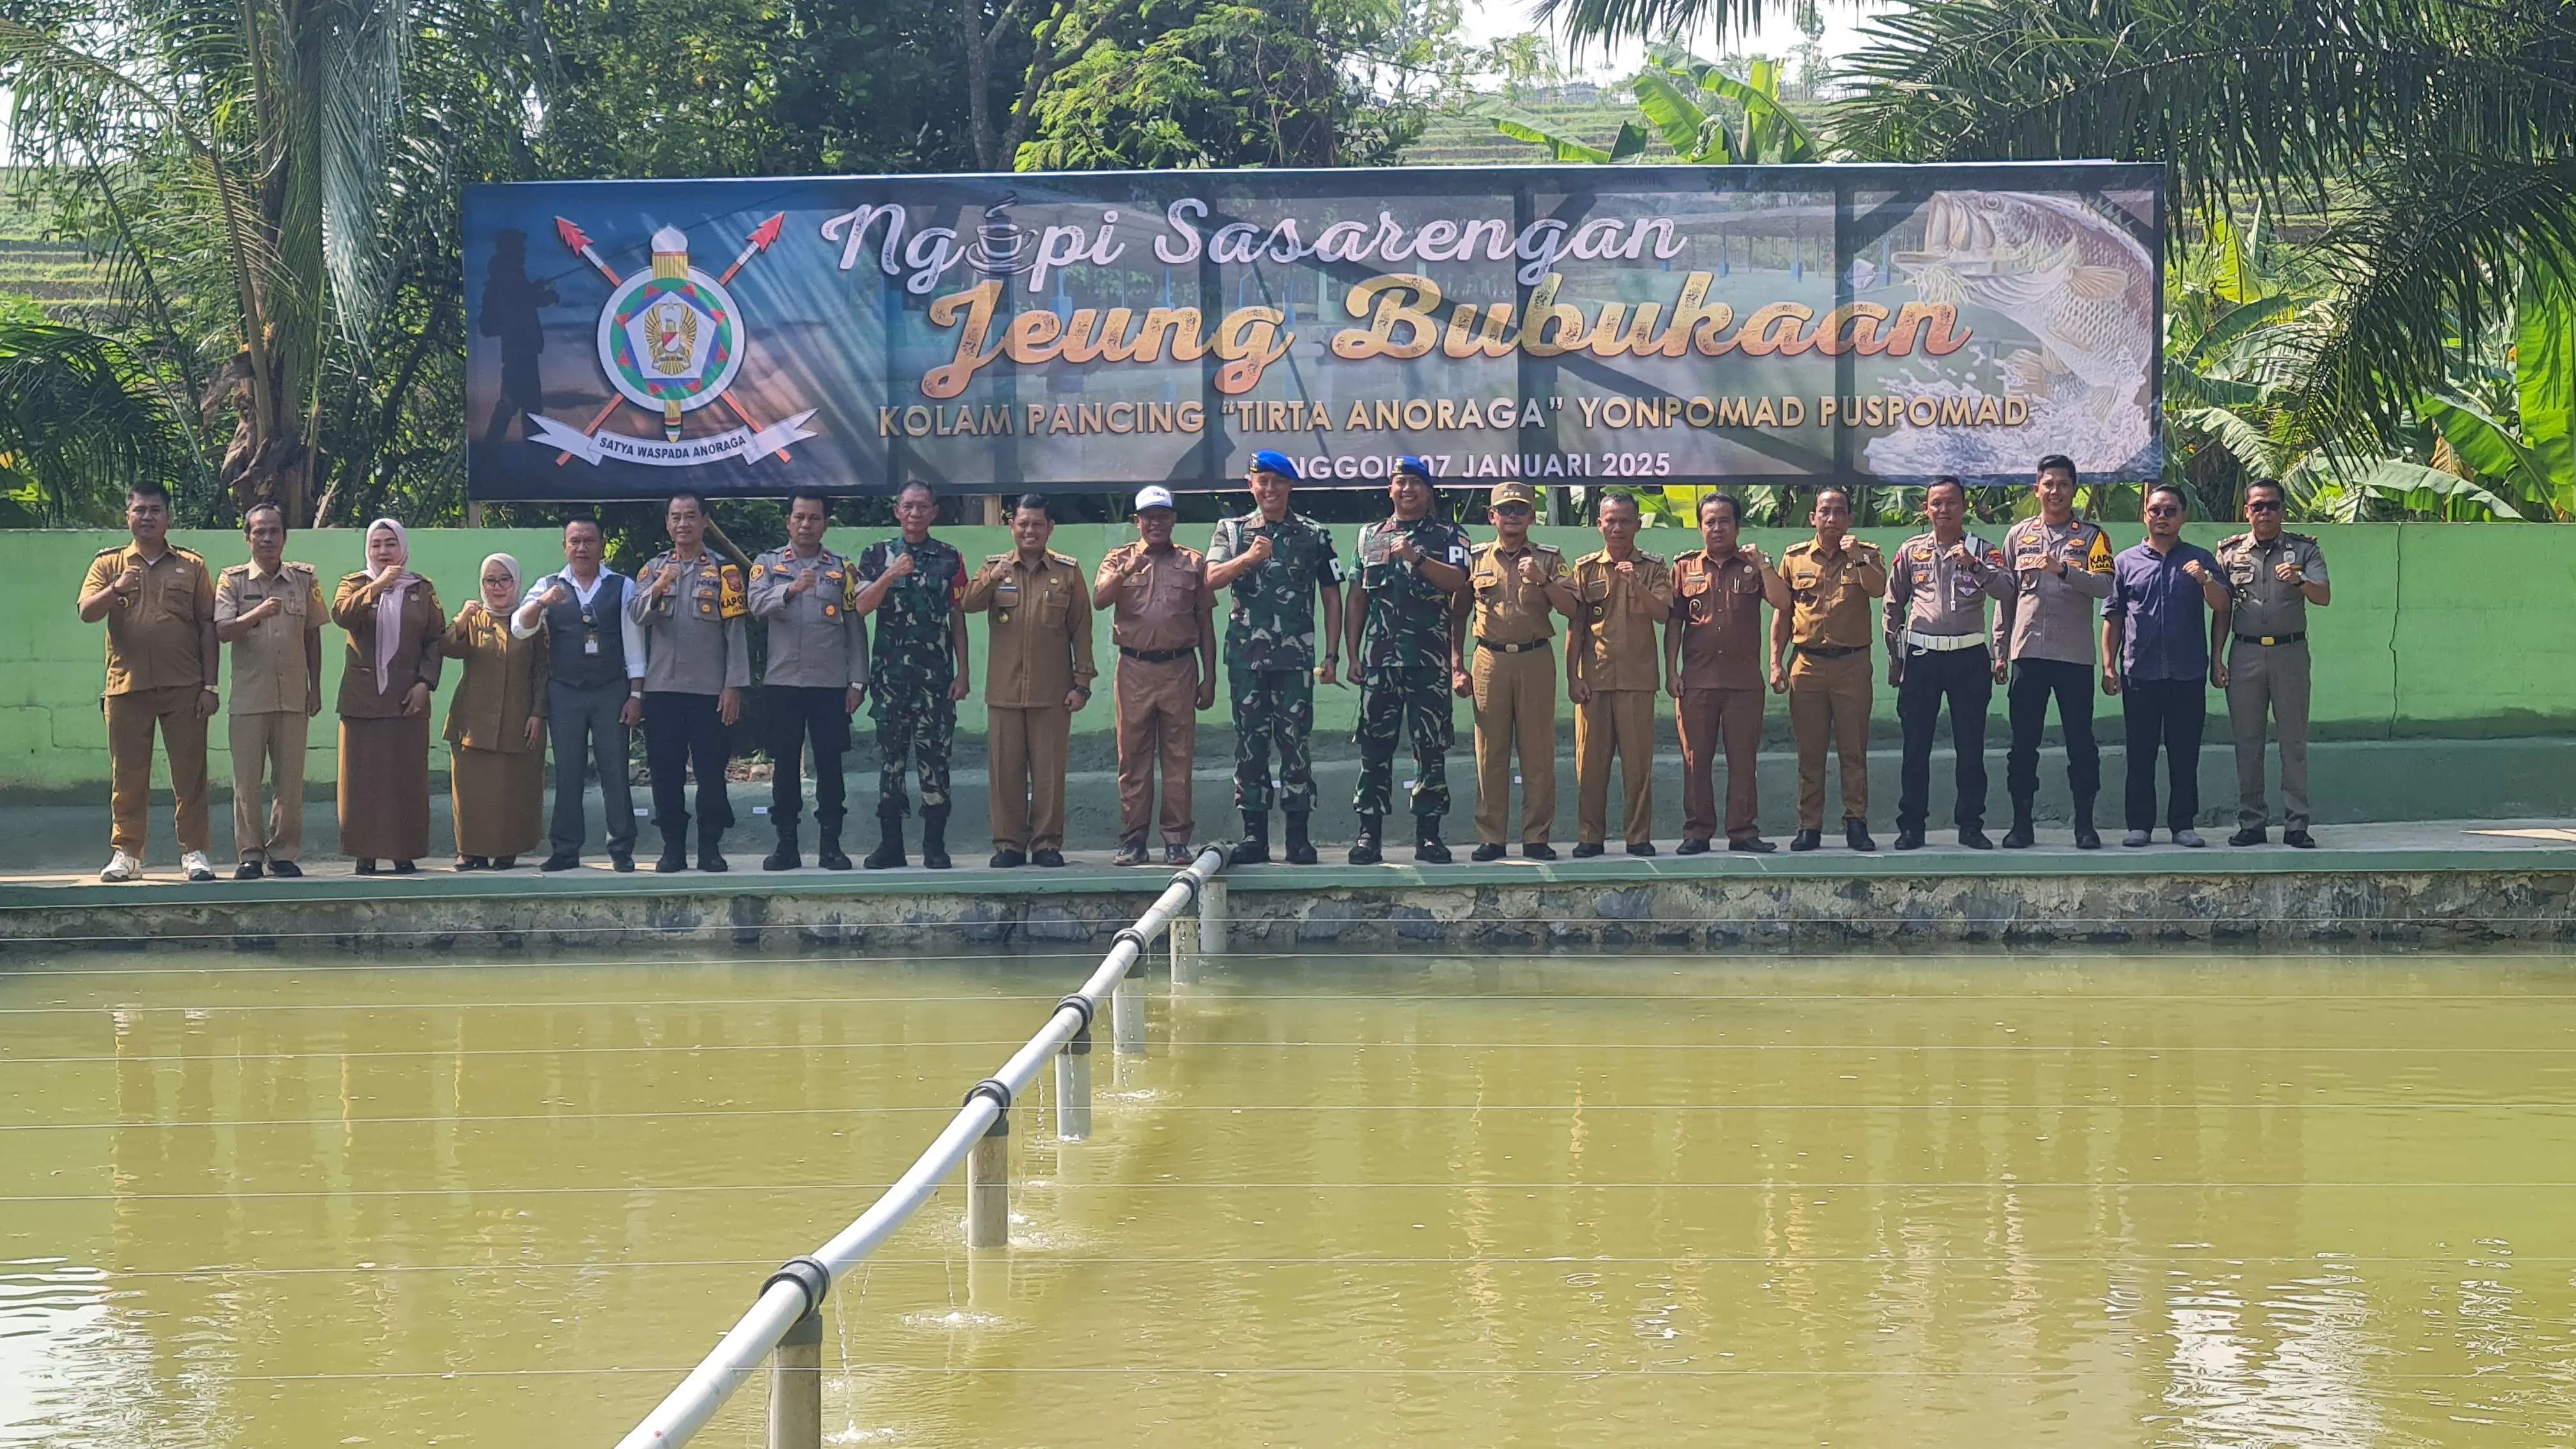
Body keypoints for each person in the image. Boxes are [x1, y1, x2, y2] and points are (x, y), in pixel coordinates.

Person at [1205, 451, 1346, 865]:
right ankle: (1255, 837)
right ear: (1250, 485)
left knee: (1295, 746)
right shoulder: (1231, 531)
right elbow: (1210, 579)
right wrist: (1247, 559)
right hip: (1246, 662)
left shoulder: (1314, 534)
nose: (1269, 489)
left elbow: (1332, 595)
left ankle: (1298, 838)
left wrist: (1332, 654)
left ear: (1290, 486)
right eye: (1262, 481)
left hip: (1294, 662)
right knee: (1250, 748)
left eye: (1277, 481)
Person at [77, 480, 220, 882]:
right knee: (128, 775)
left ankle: (194, 852)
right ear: (127, 516)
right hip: (127, 686)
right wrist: (115, 589)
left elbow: (207, 626)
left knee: (190, 774)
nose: (147, 517)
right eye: (139, 510)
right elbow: (86, 612)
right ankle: (127, 853)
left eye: (155, 510)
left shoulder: (192, 566)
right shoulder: (109, 564)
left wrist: (210, 687)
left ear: (168, 517)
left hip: (184, 686)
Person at [1345, 457, 1471, 864]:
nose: (1408, 489)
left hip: (1429, 662)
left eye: (1416, 482)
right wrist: (1352, 654)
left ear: (1428, 491)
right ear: (1390, 489)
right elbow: (1357, 597)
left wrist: (1418, 558)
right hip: (1380, 662)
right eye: (1401, 482)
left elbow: (1458, 581)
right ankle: (1368, 835)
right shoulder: (1370, 535)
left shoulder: (1449, 534)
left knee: (1430, 748)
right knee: (1373, 748)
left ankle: (1429, 836)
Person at [962, 495, 1096, 868]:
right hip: (1004, 691)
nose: (1030, 531)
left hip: (1053, 692)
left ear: (1050, 528)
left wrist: (1082, 682)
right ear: (1012, 526)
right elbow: (968, 604)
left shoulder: (1068, 573)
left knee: (1049, 773)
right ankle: (1009, 844)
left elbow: (1081, 629)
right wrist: (992, 578)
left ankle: (1047, 844)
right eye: (1023, 524)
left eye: (1037, 524)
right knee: (1005, 772)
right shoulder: (994, 567)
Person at [1884, 477, 2014, 850]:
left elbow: (2007, 591)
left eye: (1951, 502)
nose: (1944, 510)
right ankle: (1912, 827)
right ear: (1926, 509)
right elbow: (1893, 604)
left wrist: (1975, 567)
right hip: (1922, 657)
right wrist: (1895, 657)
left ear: (1964, 506)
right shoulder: (1911, 551)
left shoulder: (1983, 550)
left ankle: (1971, 826)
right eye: (1936, 503)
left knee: (1970, 748)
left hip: (1968, 657)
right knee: (1915, 748)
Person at [1995, 454, 2115, 848]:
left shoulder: (2093, 537)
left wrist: (2065, 570)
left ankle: (2085, 825)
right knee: (2023, 745)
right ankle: (2021, 825)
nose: (2055, 491)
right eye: (2048, 484)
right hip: (2027, 652)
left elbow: (2105, 586)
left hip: (2073, 656)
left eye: (2063, 484)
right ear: (2037, 490)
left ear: (2074, 489)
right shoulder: (2018, 536)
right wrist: (2000, 649)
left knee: (2081, 744)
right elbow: (2006, 596)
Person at [512, 516, 645, 872]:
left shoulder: (623, 586)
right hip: (565, 692)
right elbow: (519, 628)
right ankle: (566, 850)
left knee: (615, 771)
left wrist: (636, 694)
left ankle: (621, 849)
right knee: (568, 772)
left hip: (611, 690)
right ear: (565, 547)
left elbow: (634, 642)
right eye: (575, 541)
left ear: (602, 546)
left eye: (589, 541)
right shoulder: (548, 585)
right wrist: (542, 604)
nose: (582, 548)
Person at [2102, 484, 2230, 847]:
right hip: (2139, 673)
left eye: (2170, 511)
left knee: (2184, 754)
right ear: (2145, 515)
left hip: (2187, 673)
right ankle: (2139, 825)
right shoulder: (2125, 562)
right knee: (2140, 754)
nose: (2162, 517)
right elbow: (2113, 617)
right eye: (2155, 510)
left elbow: (2223, 606)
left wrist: (2205, 579)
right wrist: (2109, 666)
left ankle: (2183, 825)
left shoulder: (2200, 559)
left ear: (2184, 516)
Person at [850, 480, 970, 870]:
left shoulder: (950, 558)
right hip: (890, 681)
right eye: (908, 507)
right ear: (897, 511)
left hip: (936, 682)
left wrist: (964, 672)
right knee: (892, 762)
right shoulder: (876, 555)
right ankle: (892, 847)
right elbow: (861, 607)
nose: (915, 513)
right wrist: (890, 574)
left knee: (936, 761)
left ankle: (934, 846)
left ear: (934, 512)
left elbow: (957, 617)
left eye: (922, 507)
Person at [627, 493, 749, 872]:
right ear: (668, 523)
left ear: (705, 521)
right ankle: (673, 848)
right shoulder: (653, 569)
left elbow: (736, 633)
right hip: (663, 690)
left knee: (712, 774)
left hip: (709, 691)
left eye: (691, 516)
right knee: (666, 774)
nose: (683, 524)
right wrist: (660, 585)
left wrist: (734, 686)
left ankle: (710, 847)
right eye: (676, 517)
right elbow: (636, 615)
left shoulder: (725, 571)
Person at [1095, 484, 1215, 866]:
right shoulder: (1118, 558)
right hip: (1134, 669)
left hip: (1180, 668)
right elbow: (1099, 599)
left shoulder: (1193, 562)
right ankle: (1134, 840)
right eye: (1149, 517)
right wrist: (1125, 571)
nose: (1156, 523)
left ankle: (1177, 840)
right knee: (1133, 758)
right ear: (1137, 521)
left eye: (1163, 516)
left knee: (1179, 757)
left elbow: (1205, 623)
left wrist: (1210, 677)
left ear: (1174, 519)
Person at [749, 493, 868, 871]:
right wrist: (790, 589)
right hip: (783, 682)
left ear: (825, 524)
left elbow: (855, 627)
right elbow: (755, 606)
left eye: (814, 518)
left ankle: (831, 846)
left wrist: (858, 682)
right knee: (785, 766)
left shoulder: (842, 568)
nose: (806, 524)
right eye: (799, 517)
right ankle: (786, 846)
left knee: (830, 766)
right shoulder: (768, 564)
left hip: (829, 684)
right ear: (788, 521)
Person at [1457, 481, 1573, 861]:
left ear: (1531, 517)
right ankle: (1492, 838)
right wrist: (1457, 665)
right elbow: (1457, 614)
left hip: (1534, 658)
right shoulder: (1475, 559)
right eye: (1504, 510)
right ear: (1492, 516)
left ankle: (1536, 837)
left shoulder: (1549, 559)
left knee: (1538, 752)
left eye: (1520, 509)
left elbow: (1573, 609)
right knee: (1489, 752)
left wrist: (1544, 580)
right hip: (1489, 661)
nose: (1512, 516)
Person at [1666, 492, 1786, 854]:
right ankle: (1697, 832)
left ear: (1737, 526)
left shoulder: (1753, 565)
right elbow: (1674, 623)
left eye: (1724, 521)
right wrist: (1671, 671)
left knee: (1743, 760)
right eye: (1710, 522)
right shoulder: (1684, 568)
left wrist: (1764, 564)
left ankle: (1743, 831)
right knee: (1695, 760)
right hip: (1697, 682)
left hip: (1743, 683)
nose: (1717, 528)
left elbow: (1783, 602)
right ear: (1700, 527)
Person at [2214, 479, 2331, 847]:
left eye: (2272, 506)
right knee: (2247, 742)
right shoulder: (2230, 553)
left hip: (2289, 654)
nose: (2265, 512)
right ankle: (2252, 823)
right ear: (2246, 511)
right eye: (2258, 506)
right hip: (2245, 653)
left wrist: (2300, 580)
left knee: (2293, 741)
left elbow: (2324, 596)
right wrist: (2216, 658)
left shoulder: (2304, 550)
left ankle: (2297, 824)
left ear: (2283, 510)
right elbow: (2221, 610)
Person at [1770, 486, 1887, 852]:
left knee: (1854, 751)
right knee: (1810, 753)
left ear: (1850, 519)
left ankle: (1856, 822)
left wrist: (1858, 558)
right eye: (1825, 511)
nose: (1832, 518)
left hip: (1852, 666)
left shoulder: (1867, 554)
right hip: (1807, 666)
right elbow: (1783, 613)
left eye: (1839, 512)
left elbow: (1878, 589)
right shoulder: (1794, 559)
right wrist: (1775, 662)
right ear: (1813, 518)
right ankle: (1810, 826)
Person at [213, 503, 323, 880]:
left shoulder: (305, 580)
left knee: (290, 781)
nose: (267, 538)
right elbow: (223, 630)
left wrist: (315, 687)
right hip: (249, 697)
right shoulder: (232, 581)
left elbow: (313, 635)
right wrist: (257, 614)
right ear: (247, 538)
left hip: (293, 695)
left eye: (274, 531)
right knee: (246, 781)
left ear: (284, 538)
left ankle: (283, 852)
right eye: (259, 532)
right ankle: (250, 854)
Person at [332, 518, 445, 874]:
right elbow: (342, 616)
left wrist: (425, 684)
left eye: (391, 543)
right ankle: (364, 854)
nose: (383, 551)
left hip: (406, 698)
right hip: (362, 698)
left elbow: (435, 640)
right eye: (377, 544)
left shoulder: (422, 589)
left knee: (405, 777)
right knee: (361, 779)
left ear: (403, 548)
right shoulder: (353, 584)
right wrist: (378, 585)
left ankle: (402, 851)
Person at [1568, 491, 1674, 856]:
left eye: (1625, 521)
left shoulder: (1654, 567)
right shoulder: (1585, 569)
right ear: (1599, 524)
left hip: (1637, 681)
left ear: (1638, 525)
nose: (1617, 528)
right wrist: (1572, 677)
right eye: (1610, 521)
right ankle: (1590, 837)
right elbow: (1576, 625)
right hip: (1594, 681)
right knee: (1590, 766)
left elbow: (1662, 614)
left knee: (1637, 766)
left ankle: (1638, 837)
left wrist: (1636, 586)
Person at [444, 553, 548, 869]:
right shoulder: (474, 618)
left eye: (505, 580)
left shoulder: (530, 621)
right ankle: (469, 851)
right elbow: (448, 648)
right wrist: (462, 619)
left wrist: (537, 713)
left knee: (512, 789)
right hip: (472, 720)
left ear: (516, 583)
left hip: (518, 717)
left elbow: (542, 671)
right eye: (491, 581)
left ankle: (507, 849)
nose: (498, 587)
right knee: (471, 791)